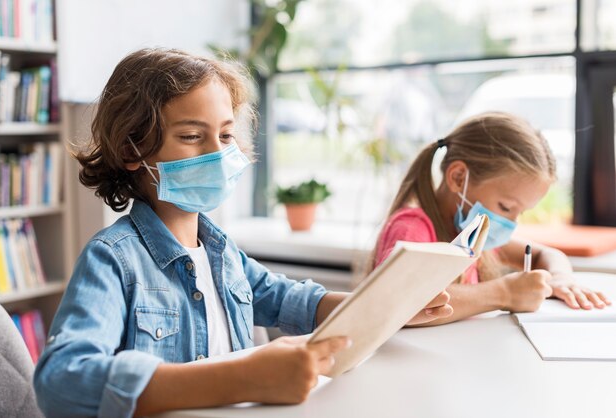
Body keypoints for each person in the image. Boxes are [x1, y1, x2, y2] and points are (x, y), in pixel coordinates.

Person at [33, 48, 452, 418]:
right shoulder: (113, 258)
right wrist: (241, 379)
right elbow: (61, 380)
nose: (218, 153)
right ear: (132, 150)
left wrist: (389, 305)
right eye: (193, 136)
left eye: (226, 135)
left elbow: (289, 299)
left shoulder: (221, 251)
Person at [370, 112, 611, 325]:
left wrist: (561, 279)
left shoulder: (472, 234)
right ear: (458, 178)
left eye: (520, 213)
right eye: (506, 207)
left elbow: (545, 255)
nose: (511, 223)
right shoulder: (413, 228)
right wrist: (503, 293)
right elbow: (401, 300)